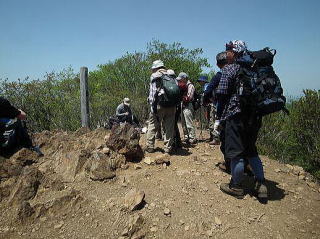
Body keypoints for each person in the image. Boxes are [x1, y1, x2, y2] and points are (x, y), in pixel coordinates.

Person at [216, 40, 268, 200]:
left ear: (234, 52)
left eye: (228, 51)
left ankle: (236, 186)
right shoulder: (257, 67)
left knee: (236, 153)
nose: (226, 54)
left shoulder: (230, 68)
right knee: (251, 149)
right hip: (255, 115)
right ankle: (261, 184)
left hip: (236, 115)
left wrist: (220, 117)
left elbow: (222, 94)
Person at [145, 60, 177, 154]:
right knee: (169, 127)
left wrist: (152, 107)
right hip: (171, 105)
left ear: (156, 68)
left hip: (159, 104)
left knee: (152, 125)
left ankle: (150, 147)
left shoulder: (155, 76)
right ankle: (167, 149)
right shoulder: (171, 75)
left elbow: (152, 93)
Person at [177, 72, 197, 144]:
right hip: (183, 106)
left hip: (188, 105)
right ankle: (186, 137)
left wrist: (182, 97)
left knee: (189, 122)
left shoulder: (190, 85)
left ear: (184, 78)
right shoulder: (182, 86)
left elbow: (189, 97)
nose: (179, 81)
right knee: (183, 123)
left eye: (181, 79)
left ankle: (192, 137)